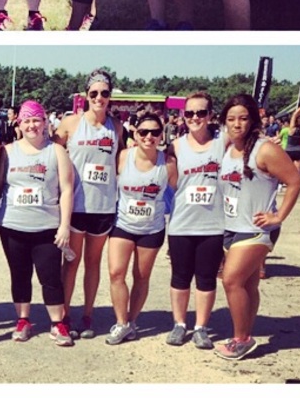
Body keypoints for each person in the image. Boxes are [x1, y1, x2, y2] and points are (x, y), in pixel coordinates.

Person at [216, 94, 300, 360]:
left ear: (253, 120)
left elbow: (295, 181)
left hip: (257, 229)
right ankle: (246, 333)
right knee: (248, 284)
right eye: (231, 119)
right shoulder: (229, 147)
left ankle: (241, 339)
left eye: (243, 118)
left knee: (231, 280)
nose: (237, 124)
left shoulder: (265, 149)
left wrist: (279, 216)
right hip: (232, 226)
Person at [0, 100, 75, 346]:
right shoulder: (8, 151)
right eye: (27, 121)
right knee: (19, 274)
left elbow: (67, 190)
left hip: (47, 227)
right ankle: (23, 320)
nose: (32, 125)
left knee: (50, 277)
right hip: (12, 224)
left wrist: (64, 225)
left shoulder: (56, 151)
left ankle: (57, 323)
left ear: (45, 123)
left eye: (36, 120)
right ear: (19, 124)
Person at [53, 69, 124, 340]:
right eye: (93, 93)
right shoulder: (71, 123)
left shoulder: (116, 126)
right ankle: (65, 315)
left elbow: (121, 161)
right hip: (76, 206)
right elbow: (52, 153)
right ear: (86, 95)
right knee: (71, 263)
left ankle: (88, 315)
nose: (99, 98)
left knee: (93, 264)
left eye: (104, 93)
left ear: (110, 96)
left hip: (103, 207)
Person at [106, 112, 175, 344]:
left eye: (154, 132)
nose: (148, 137)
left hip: (151, 229)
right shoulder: (123, 157)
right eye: (143, 132)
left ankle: (132, 321)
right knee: (116, 273)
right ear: (135, 134)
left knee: (141, 276)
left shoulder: (168, 164)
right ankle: (121, 323)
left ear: (161, 135)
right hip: (122, 224)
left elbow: (182, 192)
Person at [165, 92, 226, 350]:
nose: (195, 118)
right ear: (183, 116)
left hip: (213, 224)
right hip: (182, 223)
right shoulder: (176, 146)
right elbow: (171, 182)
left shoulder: (223, 143)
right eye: (189, 113)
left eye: (201, 112)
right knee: (180, 277)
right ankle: (179, 324)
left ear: (210, 115)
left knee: (206, 278)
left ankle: (201, 327)